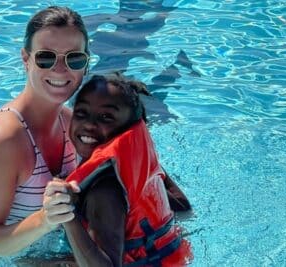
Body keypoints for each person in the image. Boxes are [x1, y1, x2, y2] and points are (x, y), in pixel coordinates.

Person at [0, 6, 89, 256]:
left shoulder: (71, 123)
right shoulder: (3, 138)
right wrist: (44, 220)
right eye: (46, 57)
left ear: (86, 64)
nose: (60, 69)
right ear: (25, 59)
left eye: (74, 58)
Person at [45, 74, 192, 266]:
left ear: (127, 129)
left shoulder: (104, 191)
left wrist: (67, 213)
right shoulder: (137, 165)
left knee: (27, 262)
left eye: (106, 117)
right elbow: (184, 209)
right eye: (81, 113)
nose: (89, 124)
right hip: (159, 257)